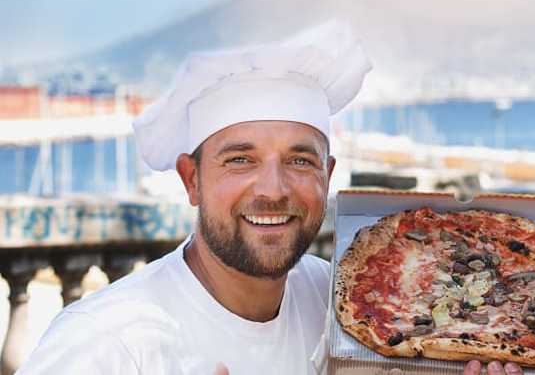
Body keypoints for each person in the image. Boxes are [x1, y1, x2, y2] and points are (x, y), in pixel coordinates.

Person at [17, 21, 371, 374]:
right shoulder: (107, 342)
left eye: (300, 161)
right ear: (191, 180)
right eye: (240, 160)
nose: (273, 189)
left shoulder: (340, 302)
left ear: (327, 177)